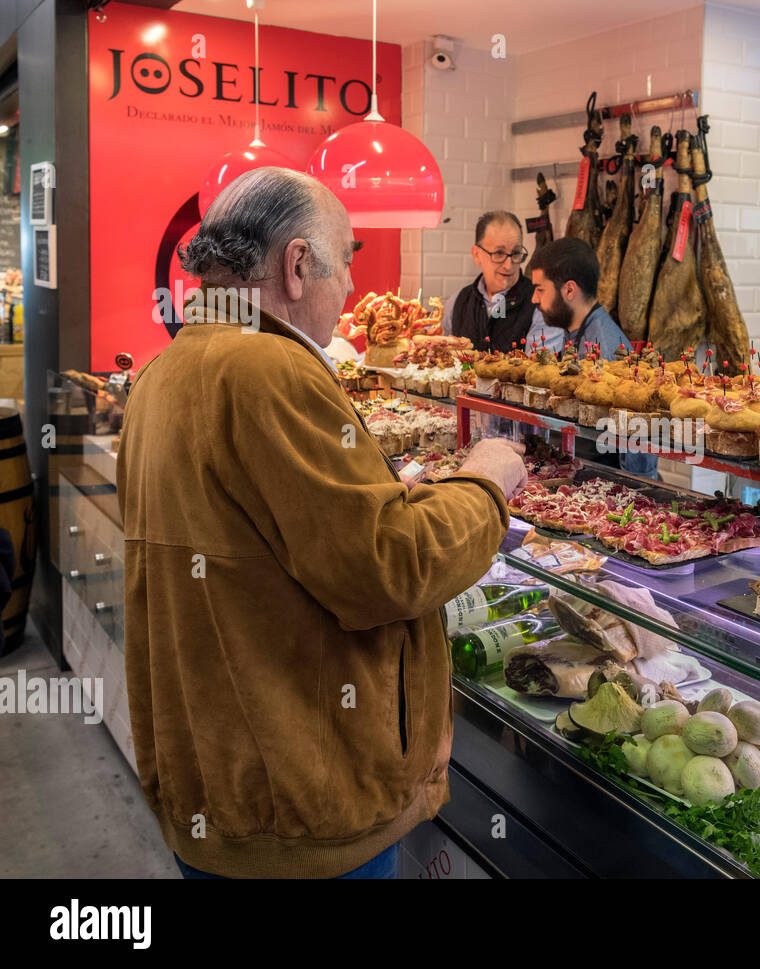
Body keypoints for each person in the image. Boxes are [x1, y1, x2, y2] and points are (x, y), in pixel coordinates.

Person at [117, 167, 527, 879]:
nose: (351, 295)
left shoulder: (165, 370)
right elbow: (390, 568)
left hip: (216, 792)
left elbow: (264, 543)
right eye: (345, 266)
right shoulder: (270, 369)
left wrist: (380, 494)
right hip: (303, 808)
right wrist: (486, 481)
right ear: (298, 265)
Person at [531, 238, 658, 477]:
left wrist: (633, 491)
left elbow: (638, 435)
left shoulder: (604, 347)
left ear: (569, 290)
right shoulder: (578, 332)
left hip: (603, 481)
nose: (534, 299)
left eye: (540, 290)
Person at [448, 210, 564, 354]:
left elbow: (539, 372)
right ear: (477, 255)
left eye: (515, 253)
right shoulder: (457, 302)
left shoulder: (543, 306)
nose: (508, 265)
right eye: (499, 253)